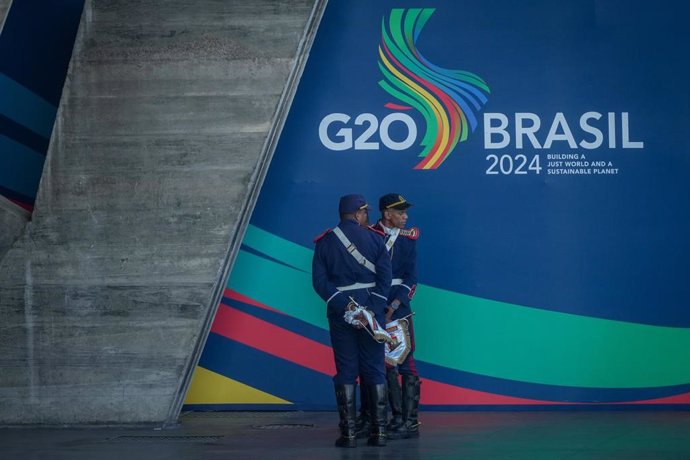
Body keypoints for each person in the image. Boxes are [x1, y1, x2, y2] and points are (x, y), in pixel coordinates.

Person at [312, 194, 392, 448]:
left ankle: (349, 435)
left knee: (346, 369)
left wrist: (346, 306)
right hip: (372, 311)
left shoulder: (324, 242)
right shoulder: (375, 238)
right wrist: (372, 309)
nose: (367, 217)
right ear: (358, 213)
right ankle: (378, 433)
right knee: (375, 368)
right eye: (365, 212)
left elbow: (320, 283)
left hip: (340, 313)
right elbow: (385, 279)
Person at [374, 193, 421, 439]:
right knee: (383, 363)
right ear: (386, 213)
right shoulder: (369, 234)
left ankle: (411, 421)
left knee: (406, 359)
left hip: (398, 309)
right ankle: (395, 417)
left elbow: (412, 278)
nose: (405, 216)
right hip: (373, 307)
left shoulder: (409, 239)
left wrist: (394, 304)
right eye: (400, 212)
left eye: (405, 212)